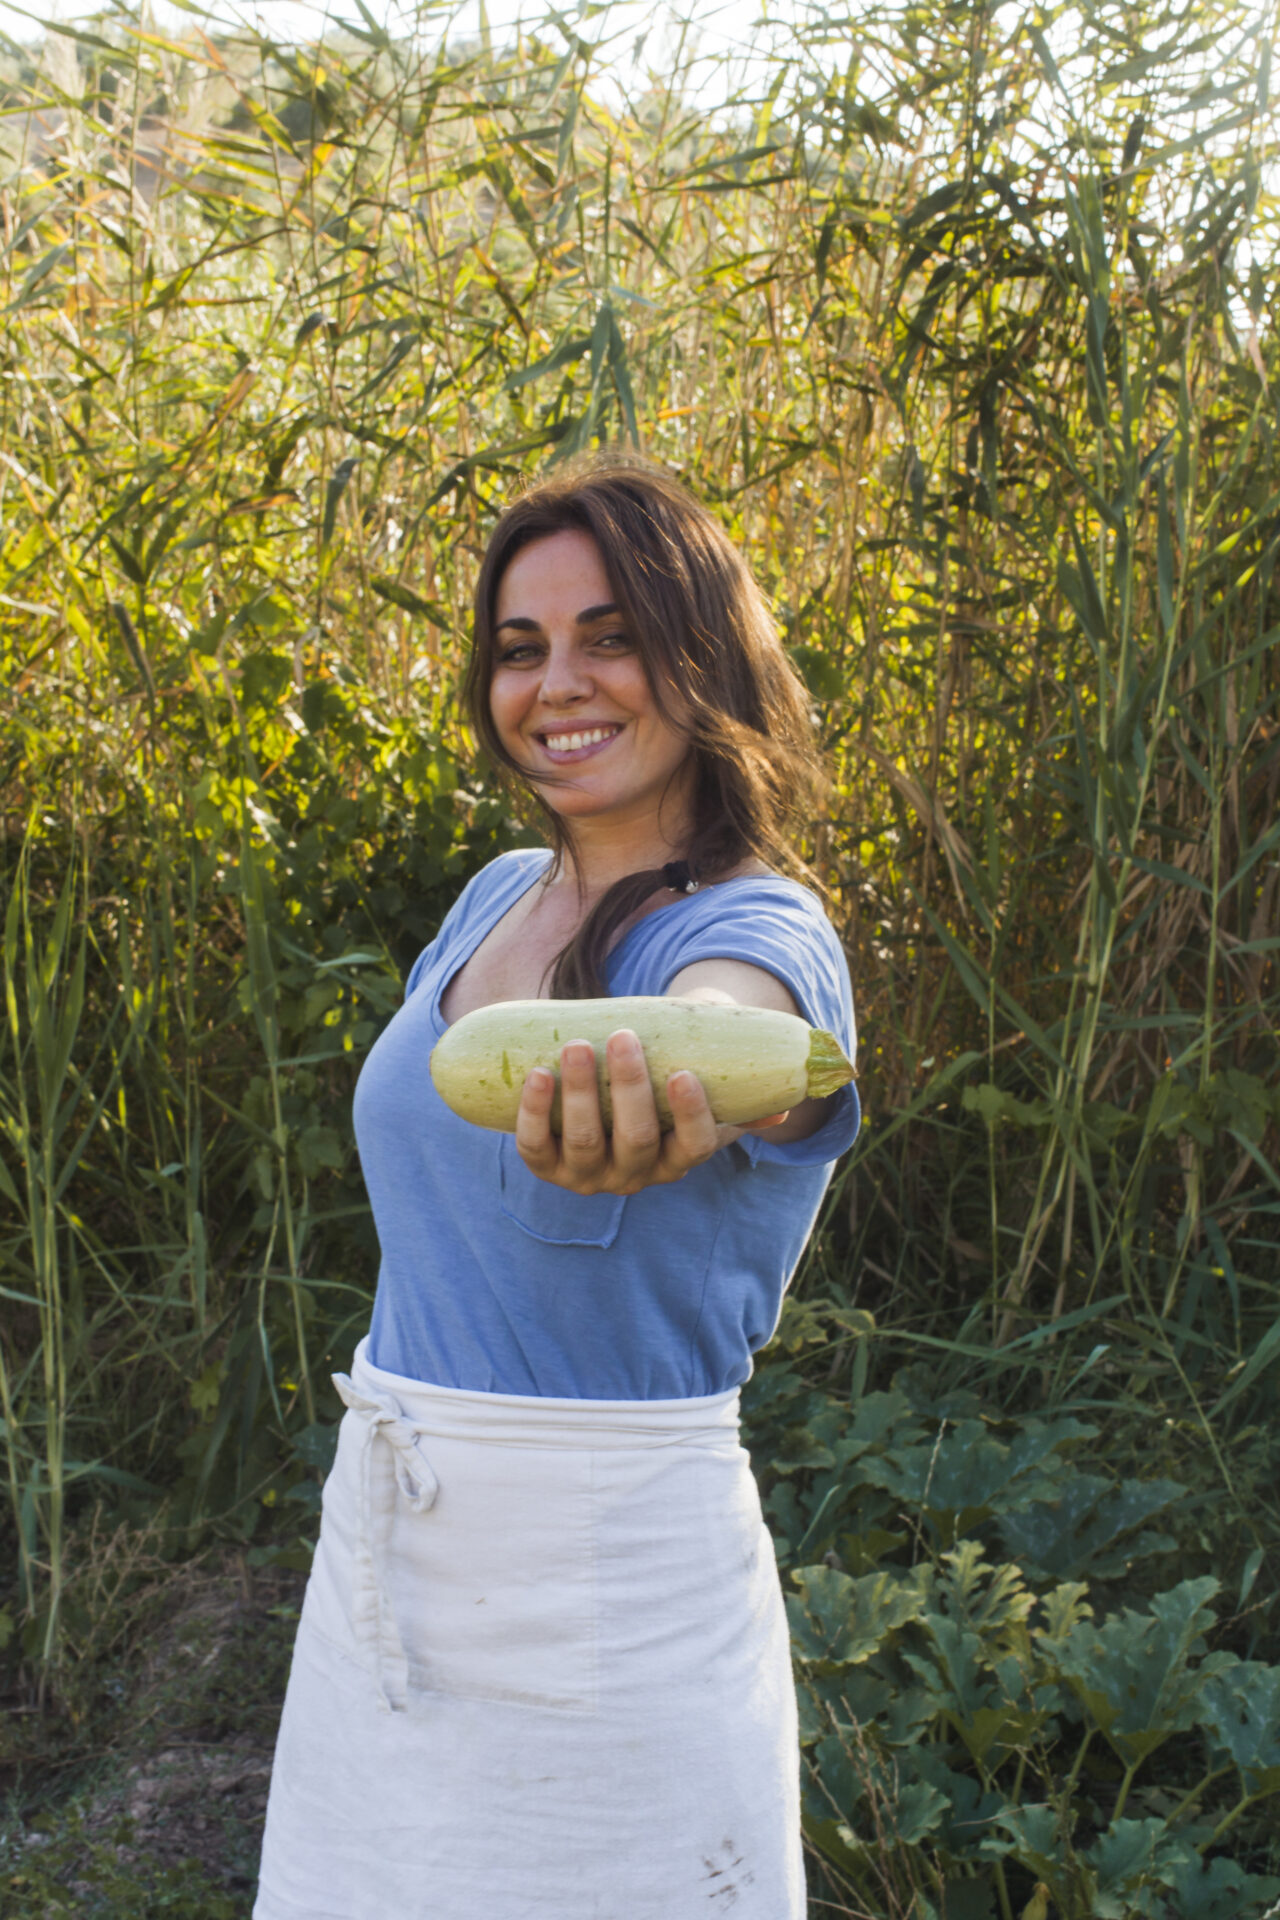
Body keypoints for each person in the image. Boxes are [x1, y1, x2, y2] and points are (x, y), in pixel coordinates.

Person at [254, 458, 860, 1920]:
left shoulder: (760, 925)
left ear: (702, 653)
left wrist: (669, 1096)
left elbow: (739, 1034)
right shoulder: (496, 896)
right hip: (393, 1553)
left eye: (610, 635)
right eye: (519, 650)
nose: (556, 683)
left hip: (613, 1592)